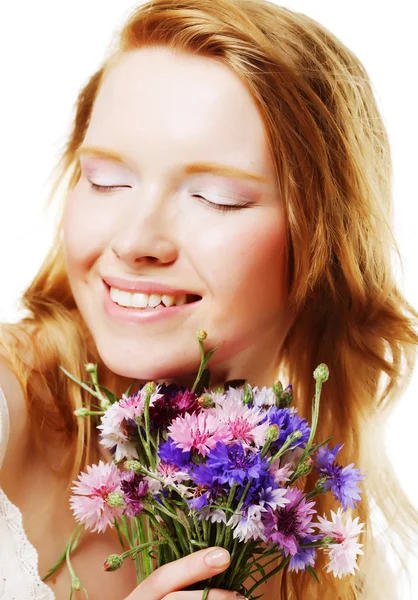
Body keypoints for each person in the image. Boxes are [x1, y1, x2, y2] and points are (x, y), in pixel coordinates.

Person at [0, 0, 417, 598]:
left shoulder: (302, 525)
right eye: (105, 180)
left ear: (322, 241)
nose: (136, 239)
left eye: (216, 197)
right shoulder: (11, 398)